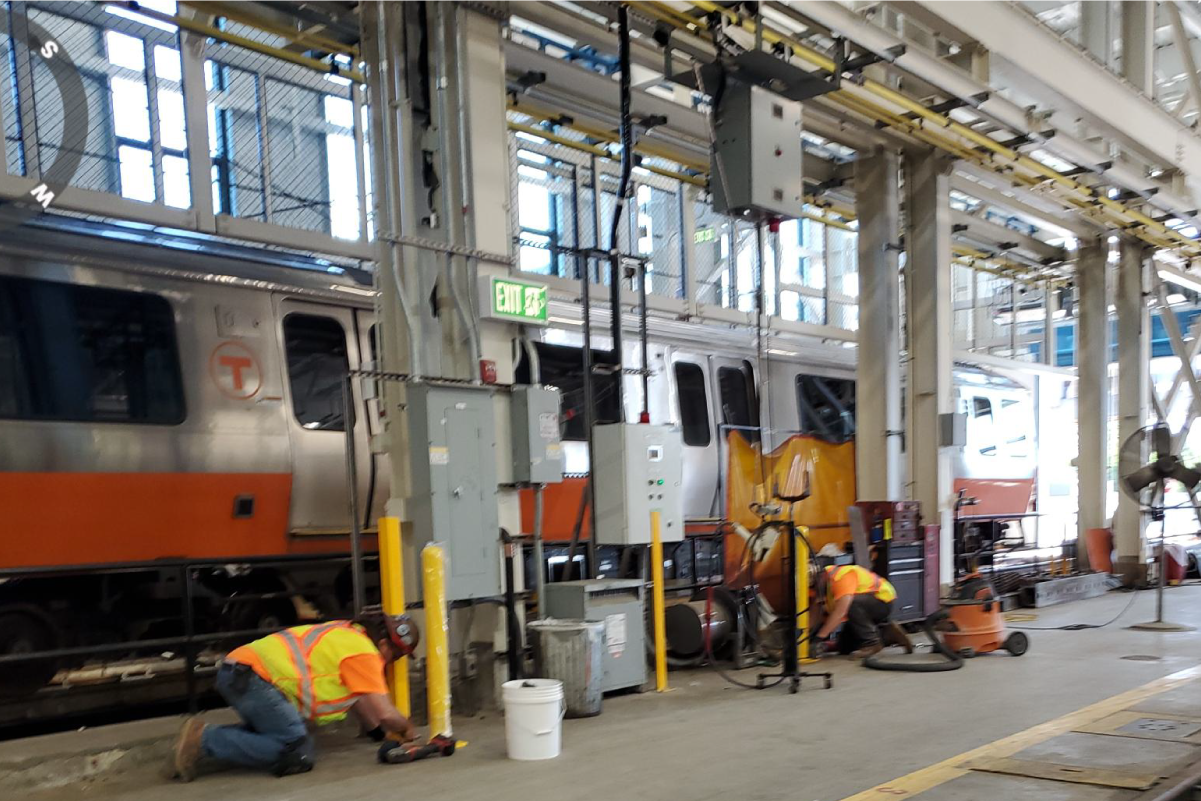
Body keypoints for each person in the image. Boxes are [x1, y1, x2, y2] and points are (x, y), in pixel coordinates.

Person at [171, 609, 419, 781]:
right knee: (296, 751)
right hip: (252, 678)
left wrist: (379, 734)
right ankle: (204, 740)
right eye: (396, 656)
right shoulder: (364, 653)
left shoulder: (349, 633)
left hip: (241, 672)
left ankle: (202, 736)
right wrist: (407, 729)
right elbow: (384, 712)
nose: (393, 663)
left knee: (285, 735)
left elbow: (363, 700)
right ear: (385, 645)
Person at [813, 564, 909, 658]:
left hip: (882, 602)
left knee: (851, 603)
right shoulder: (825, 585)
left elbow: (840, 612)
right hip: (865, 608)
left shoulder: (841, 576)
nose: (815, 586)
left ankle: (872, 642)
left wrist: (818, 638)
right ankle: (888, 634)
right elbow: (815, 614)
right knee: (845, 647)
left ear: (822, 575)